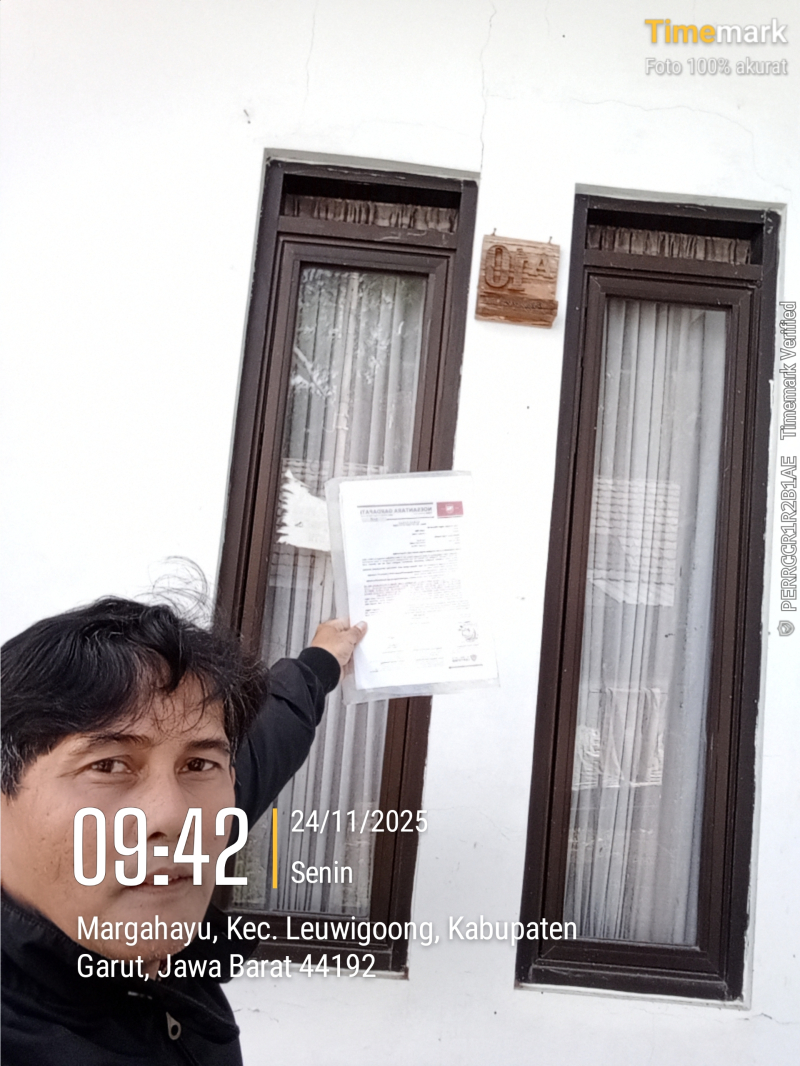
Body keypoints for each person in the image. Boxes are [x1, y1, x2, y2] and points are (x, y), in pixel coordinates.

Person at [0, 596, 365, 1065]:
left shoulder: (205, 810)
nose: (173, 816)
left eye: (197, 763)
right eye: (108, 766)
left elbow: (270, 738)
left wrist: (320, 662)